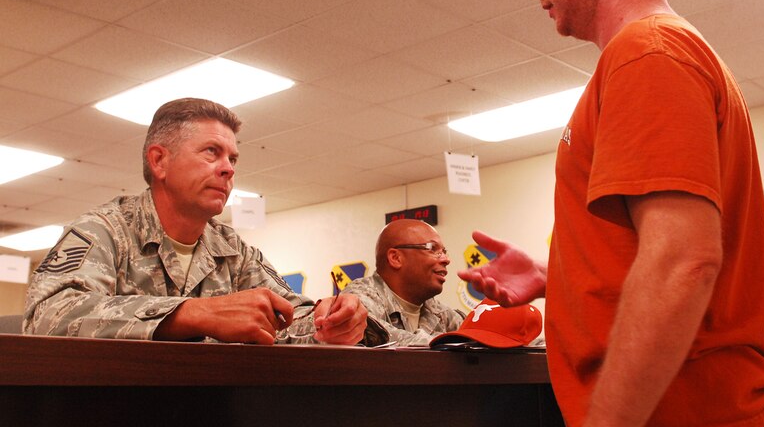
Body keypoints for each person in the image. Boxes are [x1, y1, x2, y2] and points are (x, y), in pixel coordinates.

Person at [459, 0, 764, 427]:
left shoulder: (647, 53)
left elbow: (682, 262)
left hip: (691, 426)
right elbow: (660, 250)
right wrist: (558, 277)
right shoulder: (654, 55)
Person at [24, 97, 370, 346]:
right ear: (159, 161)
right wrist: (191, 313)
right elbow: (48, 316)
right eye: (211, 152)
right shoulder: (104, 230)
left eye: (233, 157)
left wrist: (332, 319)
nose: (228, 168)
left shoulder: (234, 250)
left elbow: (290, 317)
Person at [343, 219, 464, 346]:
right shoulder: (359, 297)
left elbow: (473, 338)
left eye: (444, 252)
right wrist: (445, 345)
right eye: (432, 249)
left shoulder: (437, 311)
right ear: (395, 258)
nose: (446, 259)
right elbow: (375, 337)